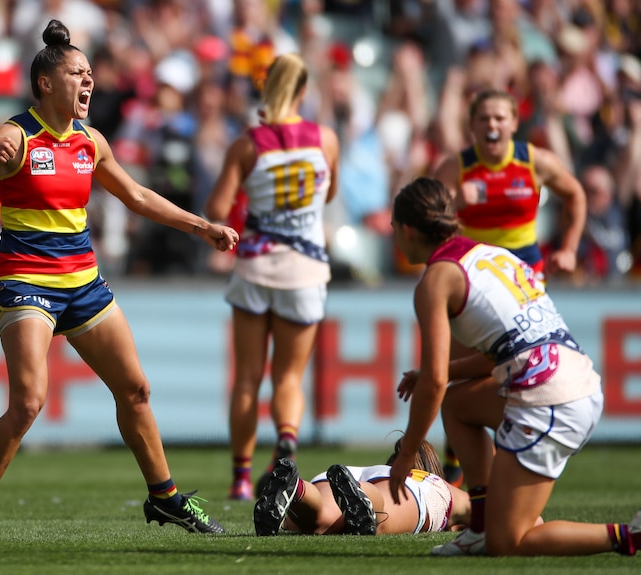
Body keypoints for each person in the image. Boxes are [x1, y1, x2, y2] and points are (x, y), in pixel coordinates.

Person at [0, 19, 238, 537]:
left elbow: (136, 197)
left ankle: (166, 498)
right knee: (27, 403)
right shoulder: (13, 135)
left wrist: (202, 226)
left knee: (135, 390)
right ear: (46, 83)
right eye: (77, 74)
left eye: (90, 74)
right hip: (27, 282)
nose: (88, 82)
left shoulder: (91, 141)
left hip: (84, 283)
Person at [388, 176, 641, 556]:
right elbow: (496, 355)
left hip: (549, 400)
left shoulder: (435, 281)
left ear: (407, 230)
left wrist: (406, 456)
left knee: (508, 542)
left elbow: (434, 383)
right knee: (459, 405)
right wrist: (435, 376)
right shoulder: (492, 254)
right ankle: (479, 525)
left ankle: (630, 536)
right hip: (574, 381)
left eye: (394, 230)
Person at [433, 88, 587, 486]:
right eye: (484, 118)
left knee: (516, 371)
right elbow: (434, 221)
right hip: (473, 282)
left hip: (524, 284)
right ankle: (456, 470)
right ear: (472, 126)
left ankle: (511, 458)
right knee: (464, 375)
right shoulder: (456, 167)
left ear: (514, 124)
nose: (492, 125)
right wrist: (456, 205)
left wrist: (569, 248)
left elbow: (576, 194)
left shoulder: (535, 162)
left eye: (500, 118)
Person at [203, 52, 339, 501]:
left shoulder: (248, 143)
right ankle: (286, 442)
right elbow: (330, 192)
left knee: (247, 378)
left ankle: (241, 478)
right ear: (303, 92)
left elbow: (216, 211)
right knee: (289, 379)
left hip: (256, 265)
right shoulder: (325, 140)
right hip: (305, 270)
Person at [253, 438, 471, 537]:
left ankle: (297, 488)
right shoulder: (440, 486)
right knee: (383, 516)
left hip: (346, 472)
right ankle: (360, 493)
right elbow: (486, 512)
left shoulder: (380, 469)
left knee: (322, 518)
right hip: (408, 488)